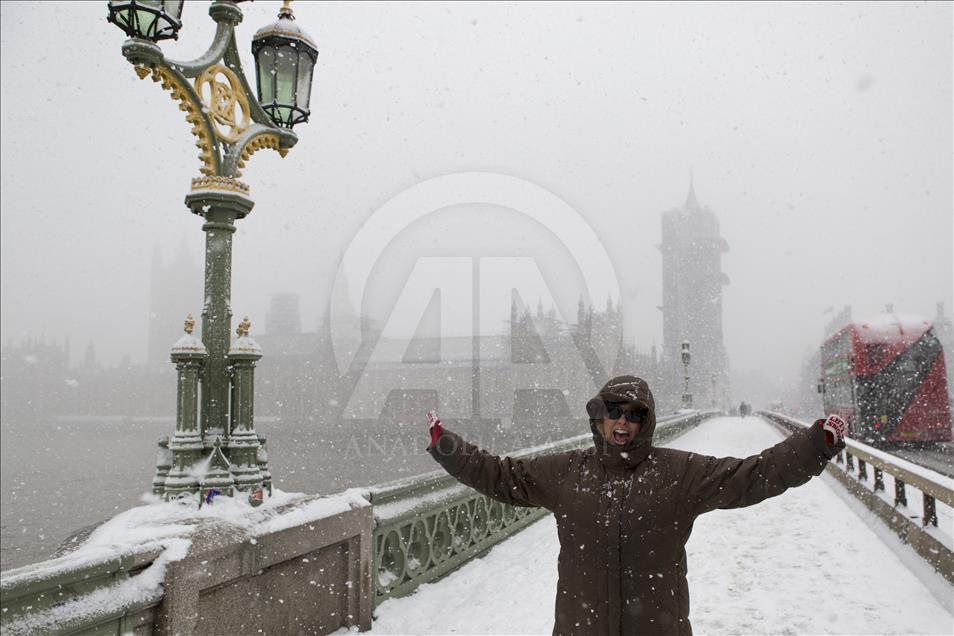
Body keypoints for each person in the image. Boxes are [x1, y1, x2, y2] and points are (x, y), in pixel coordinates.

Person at [426, 375, 846, 636]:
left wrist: (816, 445)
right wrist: (448, 447)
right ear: (599, 418)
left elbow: (752, 475)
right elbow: (501, 475)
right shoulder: (566, 472)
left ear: (646, 422)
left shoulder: (679, 474)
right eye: (613, 412)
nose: (622, 422)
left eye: (634, 414)